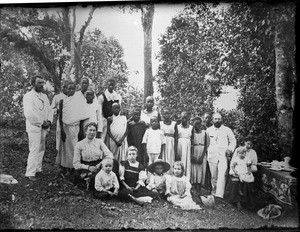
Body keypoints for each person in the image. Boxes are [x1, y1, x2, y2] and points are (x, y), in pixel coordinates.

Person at [23, 75, 53, 181]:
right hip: (34, 127)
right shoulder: (28, 96)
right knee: (34, 148)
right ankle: (30, 172)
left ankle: (38, 169)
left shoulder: (44, 96)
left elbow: (50, 110)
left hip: (44, 127)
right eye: (39, 83)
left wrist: (49, 121)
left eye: (42, 83)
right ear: (33, 84)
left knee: (41, 148)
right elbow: (29, 113)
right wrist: (41, 122)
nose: (41, 85)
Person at [73, 122, 119, 190]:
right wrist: (88, 167)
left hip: (98, 164)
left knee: (114, 162)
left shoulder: (99, 141)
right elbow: (76, 164)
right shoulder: (79, 144)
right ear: (85, 131)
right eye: (90, 130)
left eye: (94, 130)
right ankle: (91, 181)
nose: (92, 132)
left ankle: (114, 185)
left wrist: (100, 164)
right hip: (86, 166)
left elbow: (109, 155)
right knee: (80, 176)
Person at [58, 81, 90, 176]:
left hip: (76, 127)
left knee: (75, 147)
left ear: (75, 90)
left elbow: (80, 117)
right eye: (69, 89)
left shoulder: (78, 101)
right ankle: (67, 168)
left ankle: (75, 168)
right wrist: (62, 131)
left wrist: (80, 130)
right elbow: (60, 117)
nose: (71, 90)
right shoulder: (62, 101)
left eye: (73, 89)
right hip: (66, 127)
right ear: (66, 90)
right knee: (66, 149)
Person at [207, 112, 236, 199]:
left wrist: (230, 149)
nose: (217, 121)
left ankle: (219, 194)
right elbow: (206, 143)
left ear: (222, 120)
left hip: (223, 155)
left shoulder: (227, 130)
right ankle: (214, 191)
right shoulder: (208, 130)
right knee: (213, 175)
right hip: (212, 155)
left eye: (219, 119)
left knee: (222, 173)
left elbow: (233, 141)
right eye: (215, 119)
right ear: (212, 120)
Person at [190, 117, 210, 194]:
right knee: (194, 169)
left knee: (201, 169)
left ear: (201, 124)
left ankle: (200, 187)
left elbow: (206, 145)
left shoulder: (205, 133)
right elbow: (191, 144)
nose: (197, 125)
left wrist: (202, 156)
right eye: (195, 124)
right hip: (194, 150)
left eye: (199, 123)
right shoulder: (192, 133)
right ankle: (194, 186)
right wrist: (192, 155)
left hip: (202, 151)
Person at [174, 111, 193, 179]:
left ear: (188, 119)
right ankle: (178, 178)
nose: (184, 120)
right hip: (180, 145)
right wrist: (175, 151)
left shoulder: (191, 127)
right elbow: (175, 139)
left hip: (188, 146)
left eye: (186, 118)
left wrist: (192, 152)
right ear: (180, 118)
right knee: (179, 162)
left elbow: (192, 140)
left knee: (187, 163)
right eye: (182, 118)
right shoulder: (177, 127)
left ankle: (186, 180)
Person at [50, 80, 68, 151]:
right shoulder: (57, 97)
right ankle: (59, 154)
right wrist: (57, 111)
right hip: (60, 120)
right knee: (59, 137)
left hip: (71, 121)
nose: (66, 89)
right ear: (62, 88)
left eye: (67, 87)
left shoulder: (73, 97)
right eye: (64, 87)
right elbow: (51, 109)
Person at [159, 108, 176, 174]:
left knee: (171, 157)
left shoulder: (174, 124)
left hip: (171, 143)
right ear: (162, 115)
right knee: (164, 157)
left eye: (168, 113)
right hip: (163, 142)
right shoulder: (160, 123)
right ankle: (163, 174)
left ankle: (171, 175)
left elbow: (176, 136)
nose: (166, 115)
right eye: (165, 114)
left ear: (170, 114)